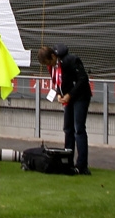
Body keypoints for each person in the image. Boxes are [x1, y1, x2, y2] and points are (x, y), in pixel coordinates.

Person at [38, 44, 92, 175]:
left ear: (53, 56)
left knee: (78, 129)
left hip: (80, 96)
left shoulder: (71, 60)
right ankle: (67, 161)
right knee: (68, 129)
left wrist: (70, 95)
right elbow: (58, 82)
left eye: (48, 62)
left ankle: (82, 165)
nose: (48, 65)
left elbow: (83, 80)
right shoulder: (51, 66)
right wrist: (58, 94)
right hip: (68, 98)